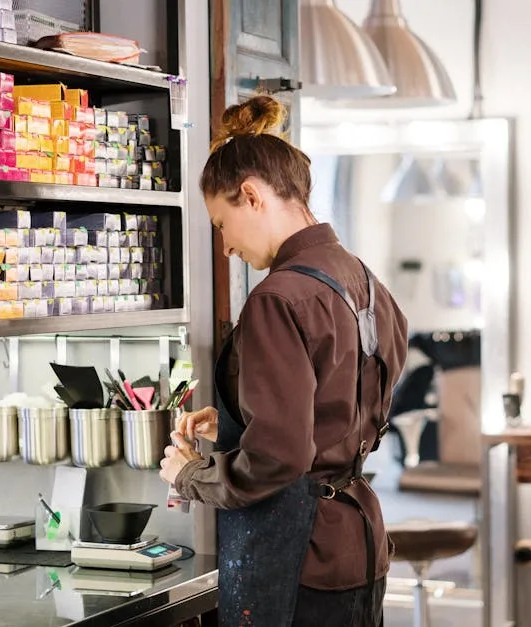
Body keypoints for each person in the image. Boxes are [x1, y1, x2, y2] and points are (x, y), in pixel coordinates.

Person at [158, 95, 408, 626]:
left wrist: (190, 476)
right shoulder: (366, 282)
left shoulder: (278, 297)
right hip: (360, 544)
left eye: (221, 223)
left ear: (251, 196)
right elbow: (341, 405)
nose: (225, 247)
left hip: (299, 558)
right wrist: (244, 413)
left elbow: (279, 457)